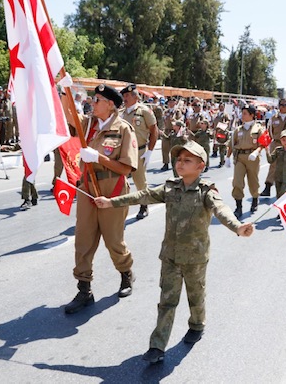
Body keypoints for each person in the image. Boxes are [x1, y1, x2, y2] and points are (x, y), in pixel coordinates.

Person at [93, 141, 254, 364]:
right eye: (179, 159)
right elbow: (142, 196)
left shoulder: (206, 191)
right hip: (170, 256)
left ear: (200, 166)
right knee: (167, 301)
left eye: (187, 160)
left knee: (195, 296)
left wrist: (237, 227)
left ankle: (197, 324)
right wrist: (111, 202)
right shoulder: (170, 187)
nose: (180, 163)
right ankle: (157, 346)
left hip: (195, 258)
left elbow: (221, 210)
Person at [59, 84, 138, 314]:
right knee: (83, 238)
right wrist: (65, 91)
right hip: (88, 188)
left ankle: (126, 274)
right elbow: (68, 114)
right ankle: (84, 289)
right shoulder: (88, 125)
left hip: (112, 188)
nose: (92, 103)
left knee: (113, 240)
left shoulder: (123, 129)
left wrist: (98, 158)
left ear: (110, 104)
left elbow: (125, 168)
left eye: (97, 100)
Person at [120, 83, 159, 220]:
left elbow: (154, 130)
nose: (124, 98)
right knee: (120, 181)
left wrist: (150, 151)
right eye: (123, 96)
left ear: (135, 97)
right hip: (123, 152)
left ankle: (144, 205)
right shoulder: (121, 113)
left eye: (127, 96)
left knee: (140, 181)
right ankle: (119, 207)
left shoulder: (144, 111)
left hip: (139, 151)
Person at [231, 105, 265, 217]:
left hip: (252, 158)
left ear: (252, 115)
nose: (242, 115)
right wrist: (227, 157)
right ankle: (238, 207)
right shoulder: (238, 129)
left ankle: (255, 198)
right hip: (240, 157)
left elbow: (263, 143)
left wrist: (256, 152)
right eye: (242, 113)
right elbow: (232, 144)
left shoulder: (258, 129)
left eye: (245, 113)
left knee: (253, 181)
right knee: (237, 182)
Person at [160, 98, 183, 171]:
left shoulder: (177, 111)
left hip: (174, 131)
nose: (170, 103)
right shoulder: (166, 111)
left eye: (172, 102)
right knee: (165, 148)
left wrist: (174, 120)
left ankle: (177, 162)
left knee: (175, 148)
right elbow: (163, 120)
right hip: (166, 130)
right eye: (169, 102)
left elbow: (180, 121)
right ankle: (166, 163)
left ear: (175, 103)